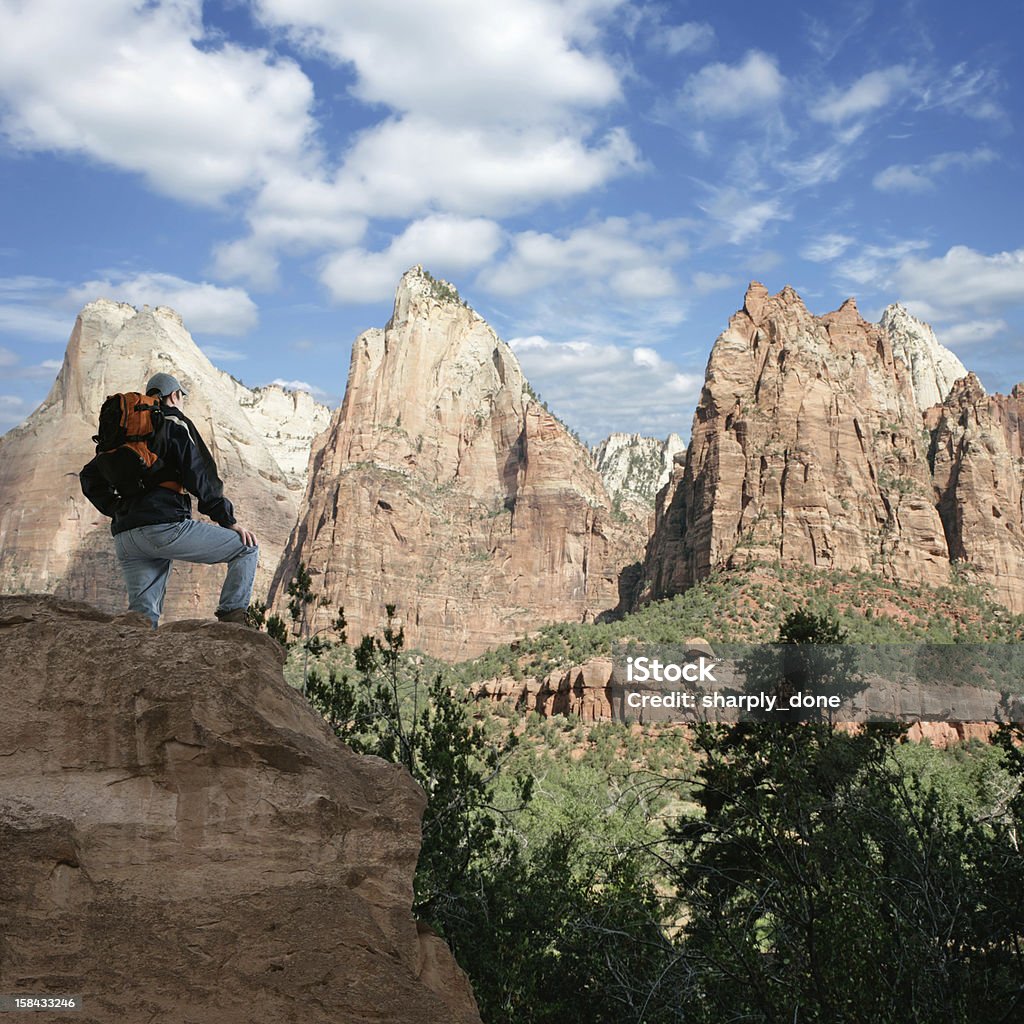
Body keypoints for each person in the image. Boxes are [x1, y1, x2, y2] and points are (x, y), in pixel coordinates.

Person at [80, 371, 259, 627]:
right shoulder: (175, 423)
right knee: (246, 549)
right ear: (174, 395)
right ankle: (233, 619)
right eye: (181, 397)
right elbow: (201, 477)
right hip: (164, 529)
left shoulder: (126, 432)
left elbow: (88, 476)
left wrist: (115, 508)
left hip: (126, 537)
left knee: (141, 617)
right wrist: (228, 520)